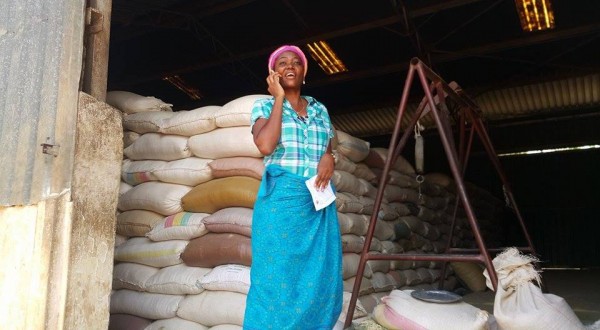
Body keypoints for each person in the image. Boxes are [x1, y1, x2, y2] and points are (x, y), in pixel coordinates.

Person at [243, 45, 343, 329]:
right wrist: (277, 99)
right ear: (273, 73)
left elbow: (328, 147)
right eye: (282, 63)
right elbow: (265, 144)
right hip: (281, 201)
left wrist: (329, 157)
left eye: (296, 63)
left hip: (317, 201)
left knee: (319, 275)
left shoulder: (319, 109)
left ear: (303, 72)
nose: (290, 66)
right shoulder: (263, 106)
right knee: (276, 277)